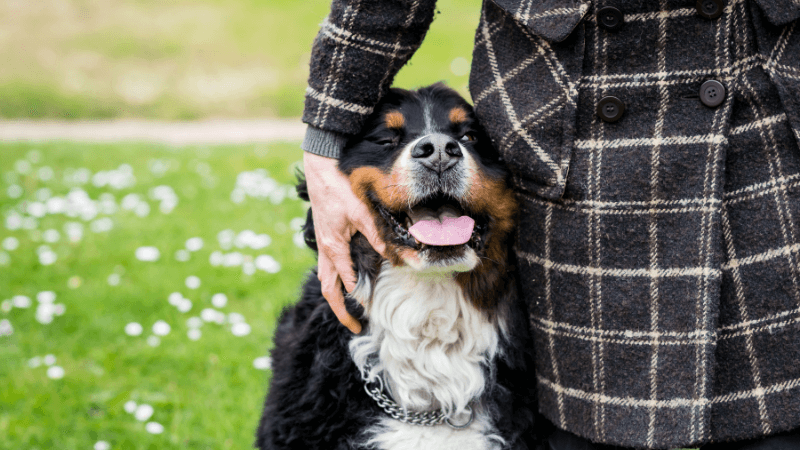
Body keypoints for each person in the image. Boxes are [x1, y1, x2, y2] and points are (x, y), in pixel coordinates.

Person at [299, 0, 800, 448]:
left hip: (759, 113)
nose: (438, 152)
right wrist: (324, 141)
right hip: (569, 130)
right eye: (392, 143)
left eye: (465, 140)